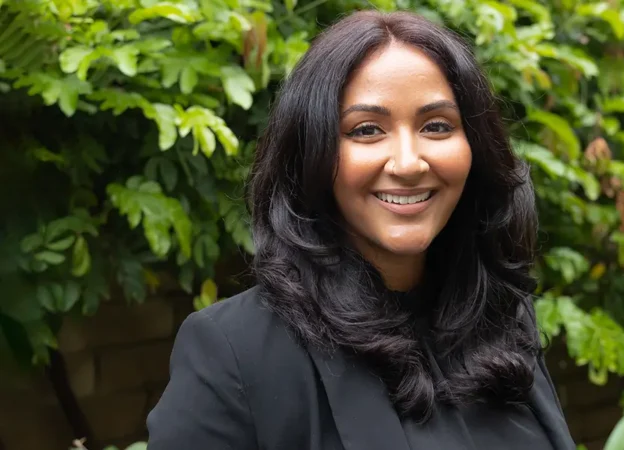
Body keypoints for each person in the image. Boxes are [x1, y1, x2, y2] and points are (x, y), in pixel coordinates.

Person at [147, 9, 575, 450]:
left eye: (436, 126)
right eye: (367, 130)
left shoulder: (501, 316)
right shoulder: (236, 351)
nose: (408, 163)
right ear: (312, 154)